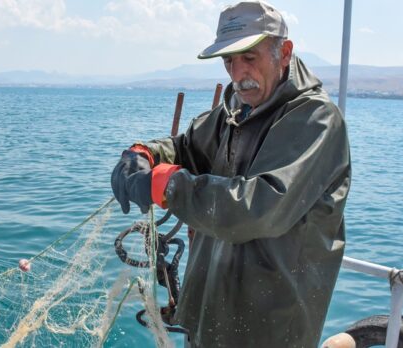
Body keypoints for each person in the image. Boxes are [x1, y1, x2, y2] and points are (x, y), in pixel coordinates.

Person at [111, 1, 351, 347]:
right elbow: (185, 147)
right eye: (229, 61)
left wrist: (166, 185)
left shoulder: (316, 120)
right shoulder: (237, 110)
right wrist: (144, 154)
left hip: (268, 331)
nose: (238, 74)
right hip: (212, 320)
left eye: (249, 58)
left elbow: (255, 209)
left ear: (284, 52)